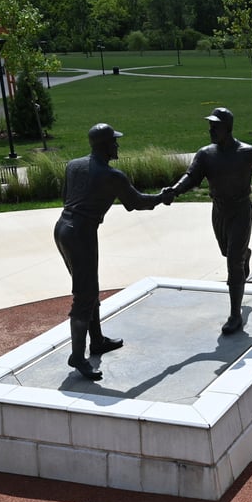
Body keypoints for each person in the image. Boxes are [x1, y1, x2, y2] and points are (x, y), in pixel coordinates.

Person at [160, 107, 252, 335]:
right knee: (227, 252)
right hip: (219, 210)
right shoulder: (205, 154)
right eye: (210, 125)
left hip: (240, 209)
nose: (211, 129)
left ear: (227, 128)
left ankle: (235, 315)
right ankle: (244, 255)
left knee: (232, 263)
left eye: (216, 126)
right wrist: (175, 189)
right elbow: (192, 176)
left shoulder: (246, 152)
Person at [54, 123, 164, 380]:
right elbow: (137, 203)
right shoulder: (112, 176)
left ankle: (98, 340)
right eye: (114, 142)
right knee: (85, 294)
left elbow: (65, 197)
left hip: (64, 229)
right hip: (81, 233)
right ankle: (78, 357)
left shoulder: (73, 165)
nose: (117, 145)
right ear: (104, 145)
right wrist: (162, 196)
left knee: (90, 287)